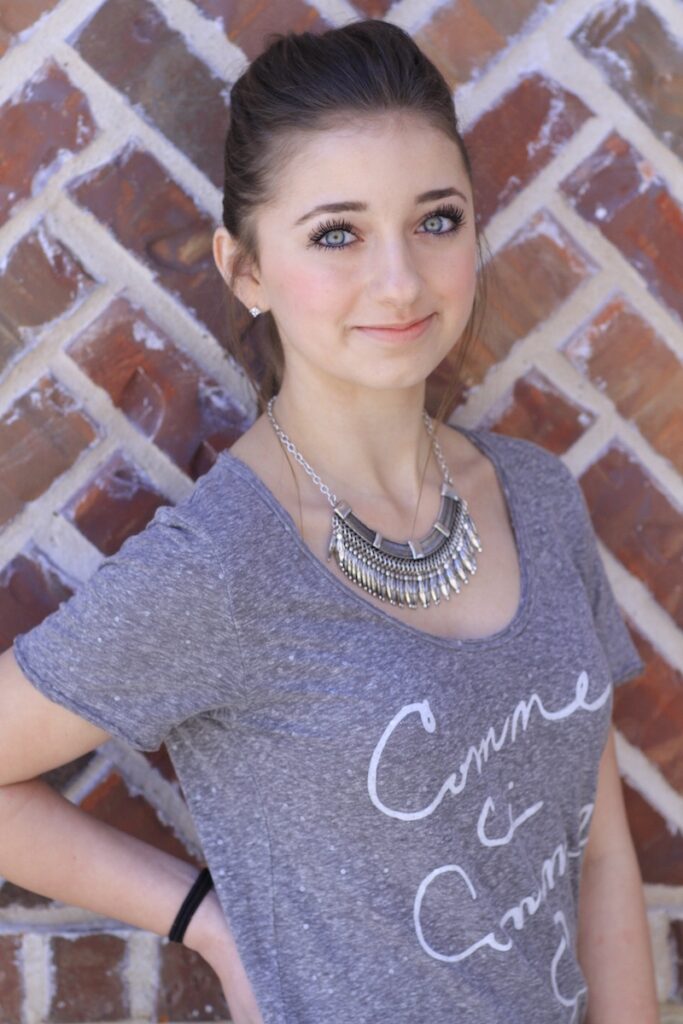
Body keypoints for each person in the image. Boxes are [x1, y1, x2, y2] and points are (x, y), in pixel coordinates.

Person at [0, 19, 659, 1024]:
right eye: (337, 233)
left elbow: (601, 850)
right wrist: (211, 923)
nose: (398, 279)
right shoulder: (224, 565)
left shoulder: (534, 495)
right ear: (246, 269)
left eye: (435, 219)